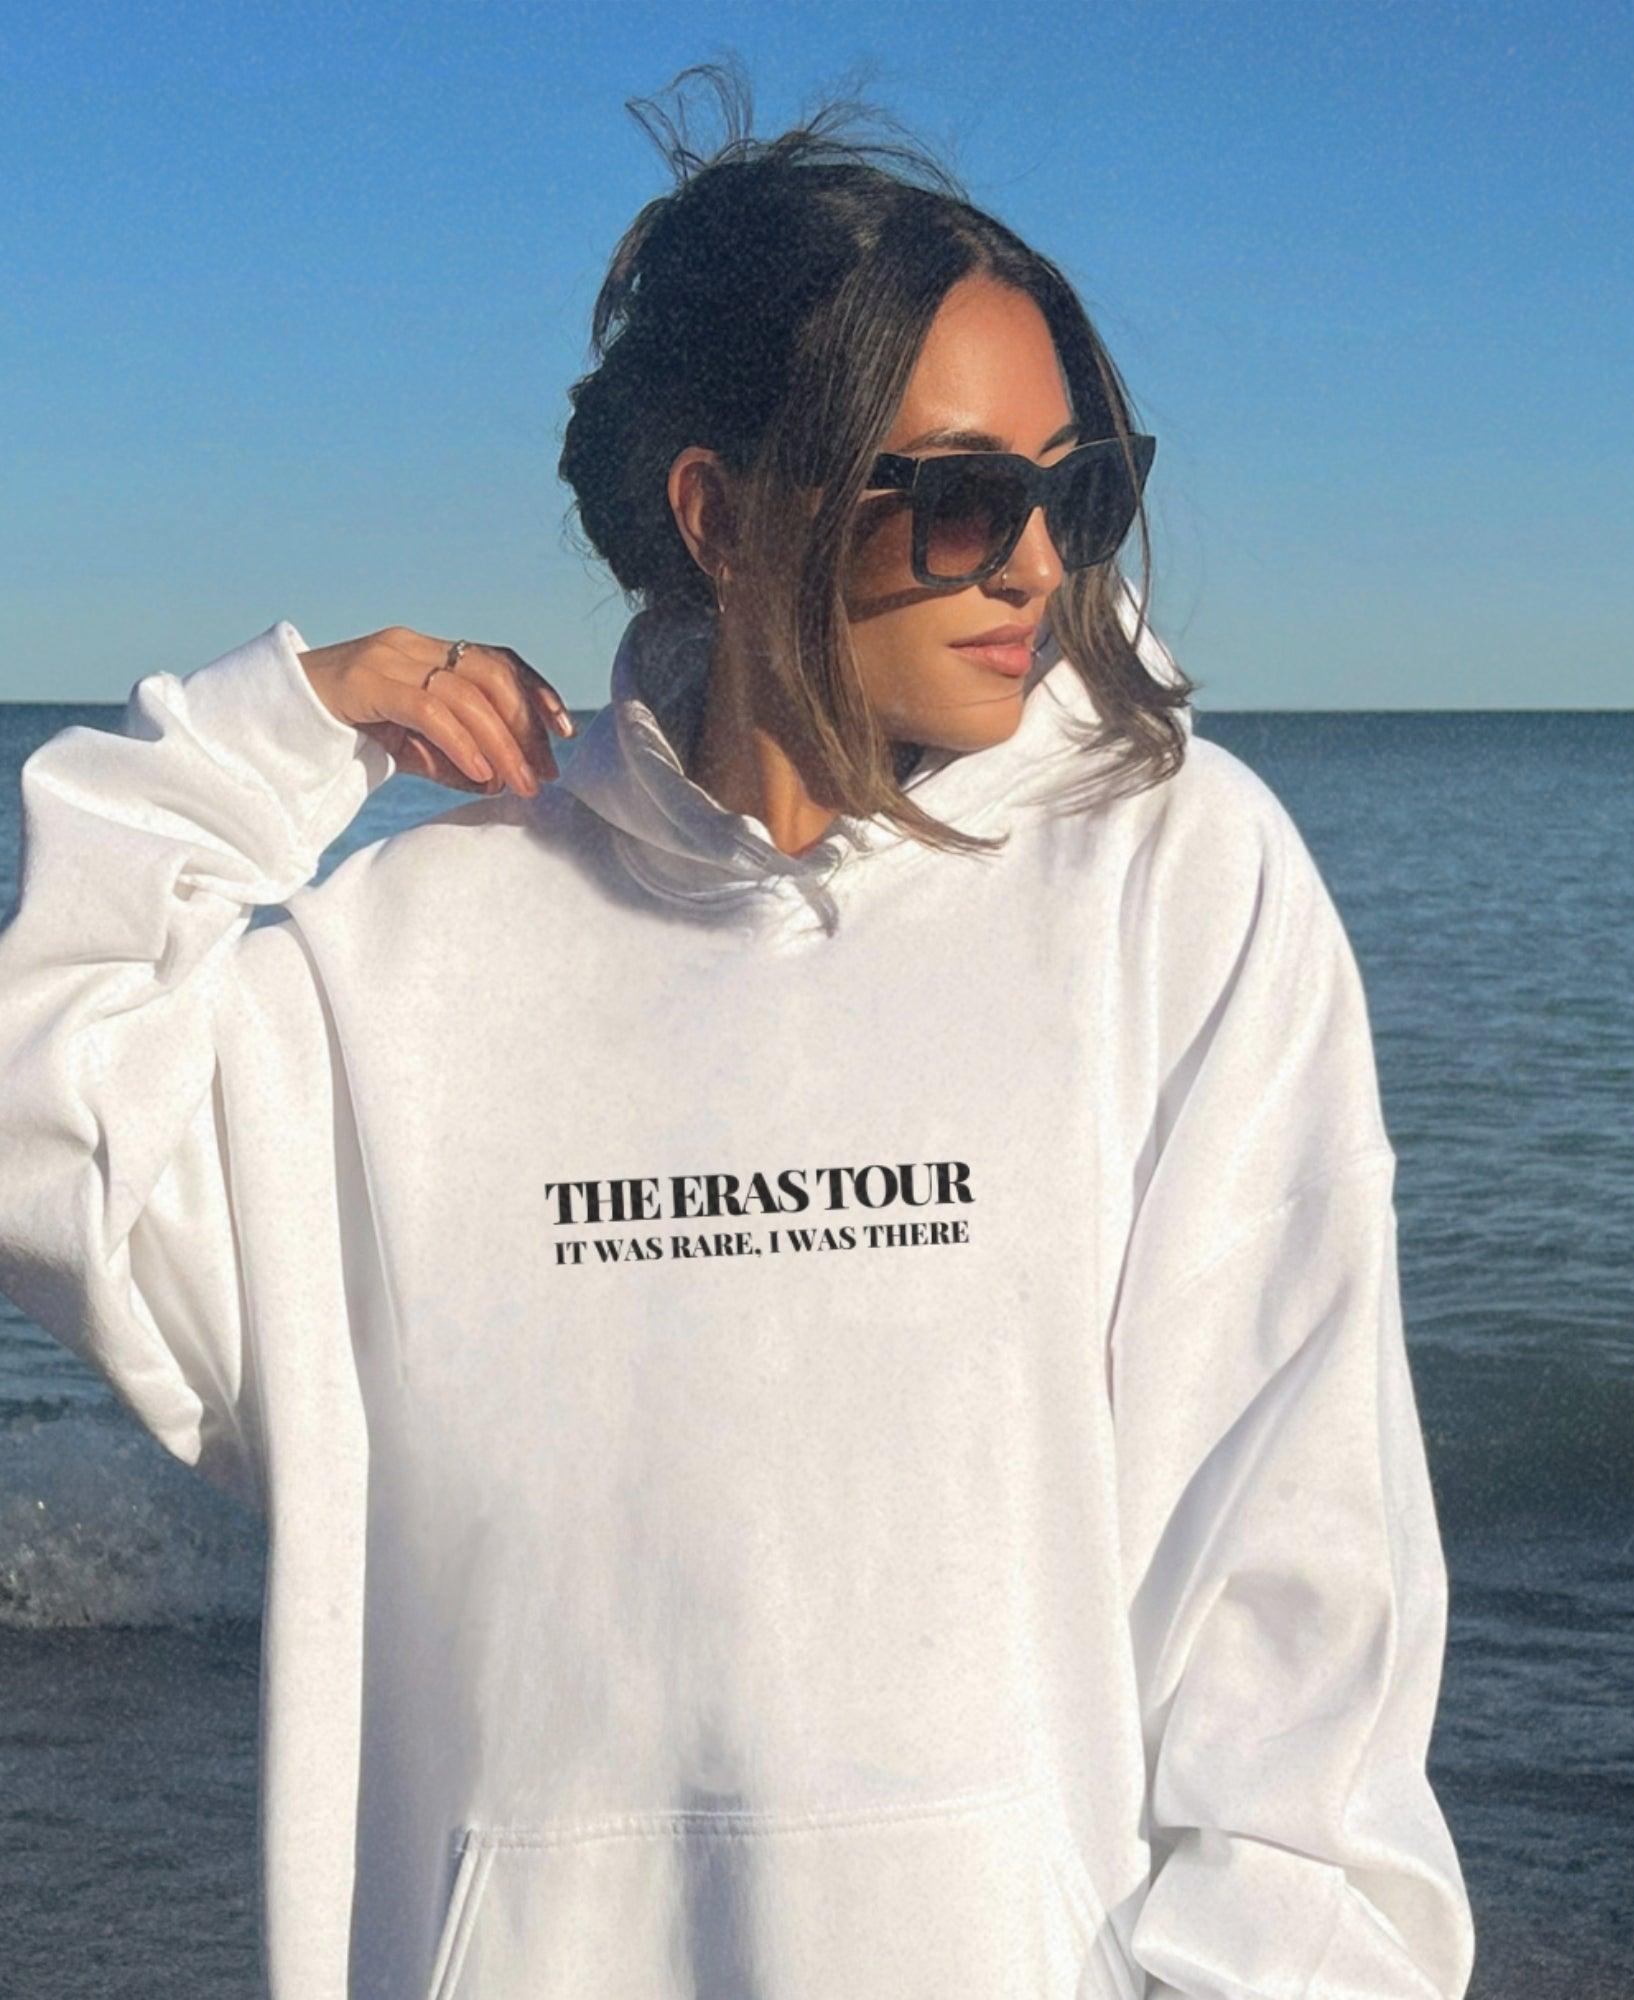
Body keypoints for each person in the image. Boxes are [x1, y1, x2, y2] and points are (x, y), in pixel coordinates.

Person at [0, 63, 1475, 2000]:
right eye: (957, 497)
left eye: (1075, 491)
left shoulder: (1171, 884)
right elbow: (44, 1096)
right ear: (722, 515)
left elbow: (1297, 1598)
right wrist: (285, 724)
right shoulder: (412, 951)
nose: (1036, 561)